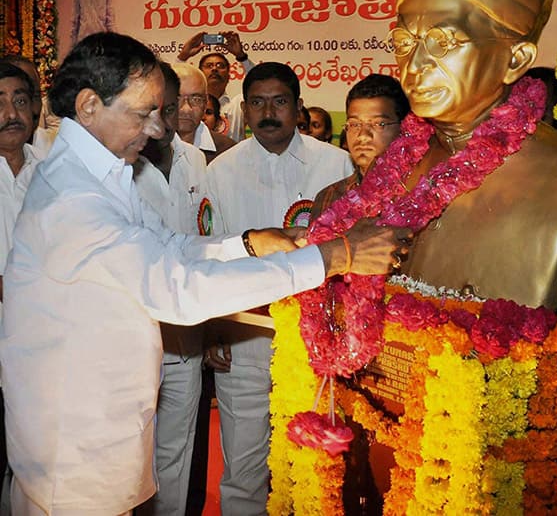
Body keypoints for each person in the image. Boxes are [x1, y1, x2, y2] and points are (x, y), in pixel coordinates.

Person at [0, 32, 406, 515]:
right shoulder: (74, 198)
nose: (156, 129)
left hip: (98, 429)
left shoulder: (99, 173)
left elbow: (167, 249)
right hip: (75, 447)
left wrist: (247, 243)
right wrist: (333, 257)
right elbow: (178, 289)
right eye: (143, 113)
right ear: (89, 105)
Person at [388, 0, 557, 311]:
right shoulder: (391, 173)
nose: (414, 64)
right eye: (405, 42)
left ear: (515, 58)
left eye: (442, 40)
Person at [205, 62, 355, 515]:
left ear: (299, 107)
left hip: (316, 344)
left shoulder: (335, 164)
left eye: (280, 101)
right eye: (258, 102)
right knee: (243, 471)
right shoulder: (221, 170)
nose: (268, 112)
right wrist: (214, 329)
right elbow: (209, 254)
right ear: (244, 109)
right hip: (244, 337)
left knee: (315, 473)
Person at [133, 61, 209, 516]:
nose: (162, 116)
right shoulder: (120, 164)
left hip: (188, 337)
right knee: (131, 458)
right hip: (137, 338)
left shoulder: (197, 161)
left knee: (177, 454)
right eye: (152, 106)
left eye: (170, 104)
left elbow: (203, 239)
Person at [0, 61, 45, 512]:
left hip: (42, 349)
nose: (10, 112)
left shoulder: (48, 174)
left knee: (32, 468)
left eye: (18, 100)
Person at [311, 74, 410, 222]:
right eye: (355, 124)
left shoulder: (418, 192)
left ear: (405, 127)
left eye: (379, 124)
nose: (363, 136)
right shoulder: (330, 197)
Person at [178, 31, 252, 142]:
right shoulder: (187, 104)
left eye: (220, 66)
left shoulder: (238, 104)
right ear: (200, 74)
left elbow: (262, 82)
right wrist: (183, 56)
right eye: (209, 66)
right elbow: (167, 84)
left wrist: (242, 57)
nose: (214, 69)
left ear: (229, 76)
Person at [172, 62, 236, 164]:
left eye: (196, 99)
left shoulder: (229, 151)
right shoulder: (144, 148)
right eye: (177, 99)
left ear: (206, 102)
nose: (186, 109)